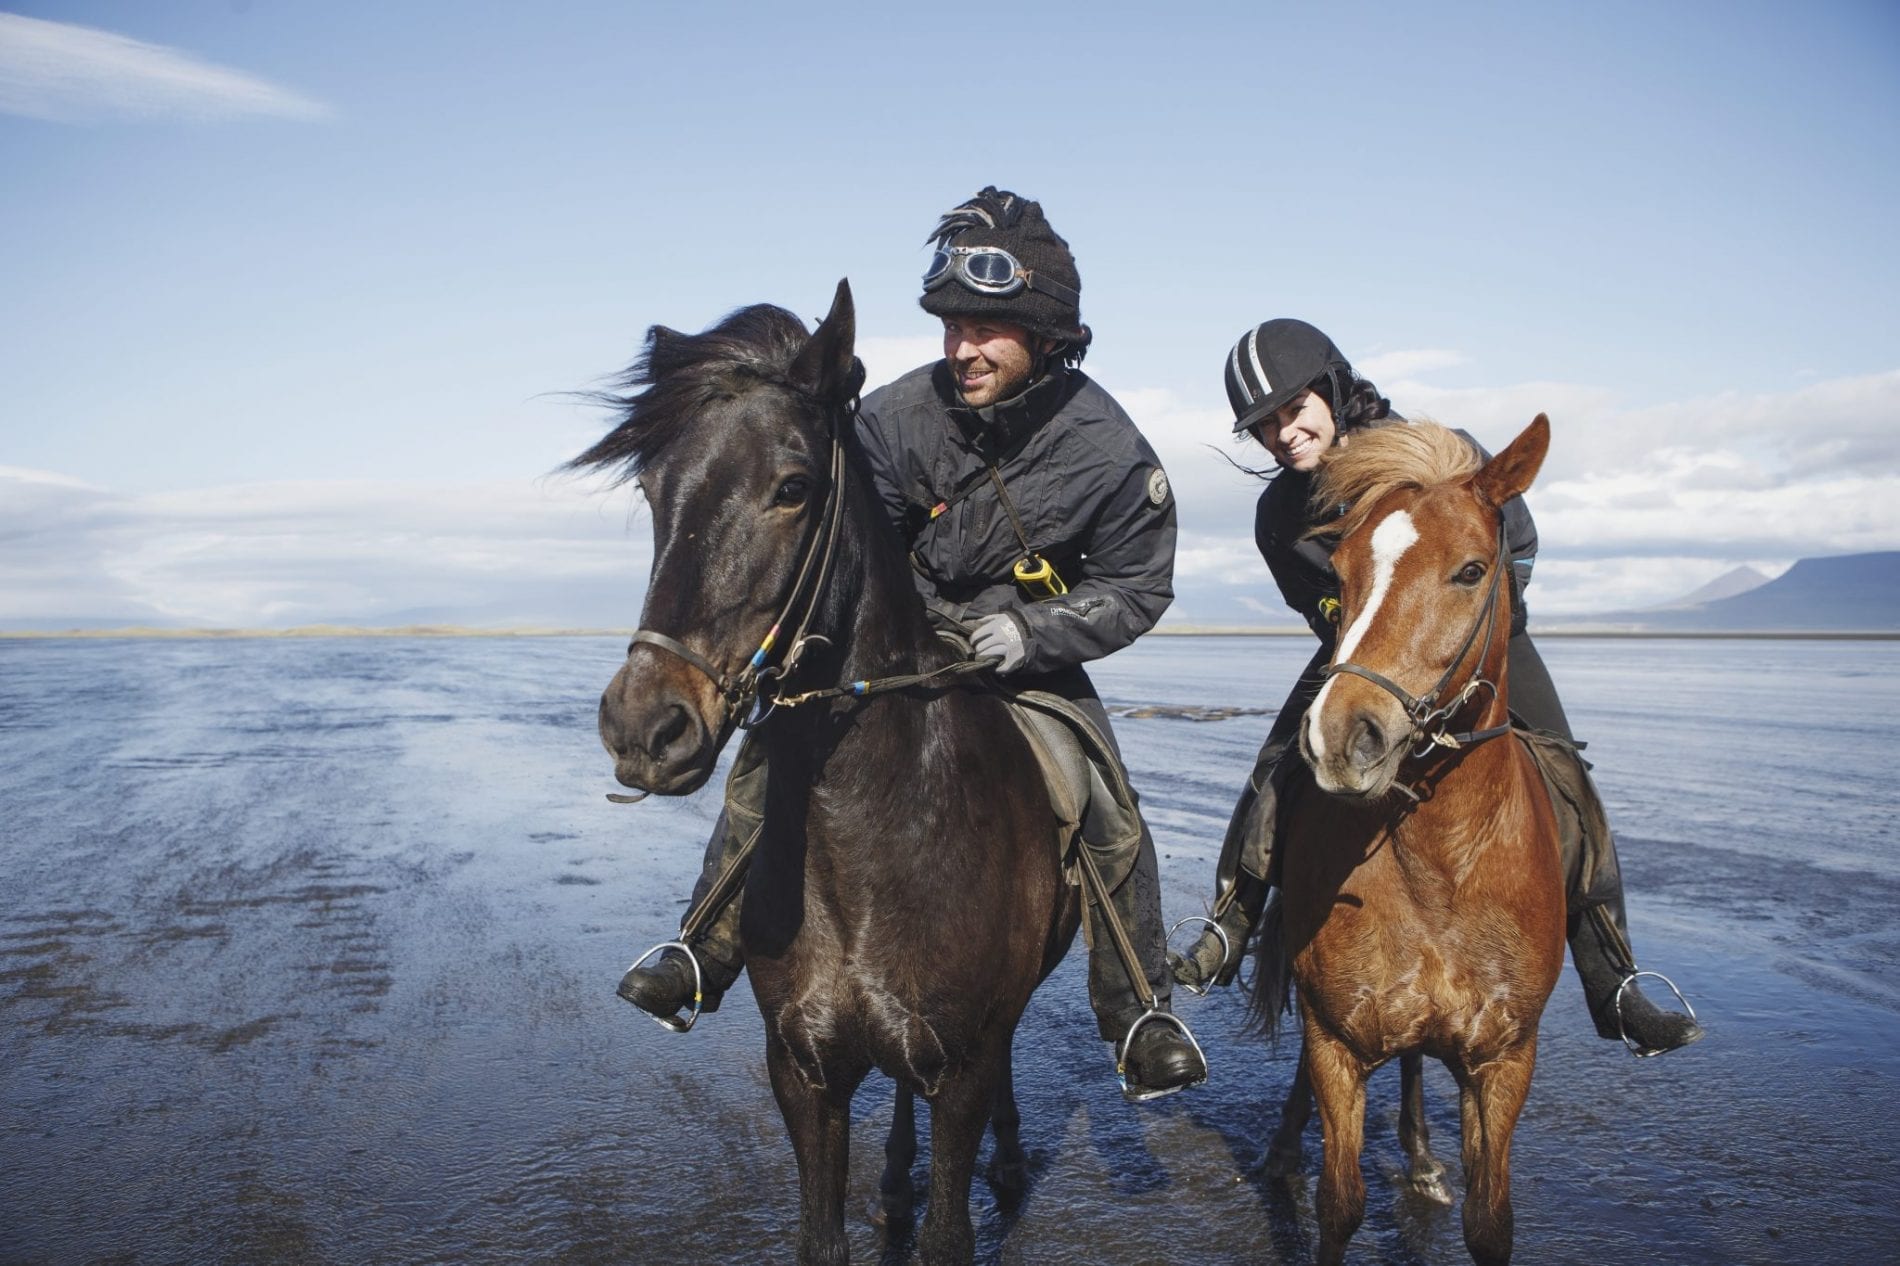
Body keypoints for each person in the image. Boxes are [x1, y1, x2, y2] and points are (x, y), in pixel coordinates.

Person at [617, 187, 1208, 1097]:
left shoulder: (1111, 450)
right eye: (951, 326)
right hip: (897, 645)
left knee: (1107, 802)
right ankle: (703, 947)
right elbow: (840, 538)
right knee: (767, 756)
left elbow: (1137, 585)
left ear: (1047, 336)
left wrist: (1029, 630)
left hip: (1027, 661)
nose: (962, 348)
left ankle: (1136, 1008)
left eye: (988, 329)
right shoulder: (894, 416)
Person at [1170, 318, 1704, 1057]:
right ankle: (1230, 924)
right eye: (1263, 426)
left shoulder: (1443, 451)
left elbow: (1518, 537)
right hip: (1366, 653)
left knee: (1564, 773)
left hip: (1481, 639)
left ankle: (1611, 978)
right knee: (1278, 767)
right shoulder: (1280, 516)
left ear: (1329, 389)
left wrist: (1477, 619)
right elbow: (1320, 609)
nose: (1283, 435)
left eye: (1293, 410)